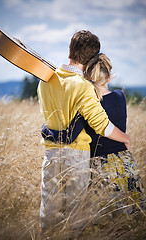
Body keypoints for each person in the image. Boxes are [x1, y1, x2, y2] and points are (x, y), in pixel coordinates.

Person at [37, 31, 131, 236]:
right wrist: (125, 137)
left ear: (70, 48)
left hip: (51, 154)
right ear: (91, 59)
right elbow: (102, 126)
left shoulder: (45, 79)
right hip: (76, 155)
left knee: (48, 213)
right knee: (75, 217)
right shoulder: (83, 86)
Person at [42, 53, 145, 213]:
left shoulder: (88, 105)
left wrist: (45, 130)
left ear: (86, 78)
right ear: (109, 77)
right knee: (132, 212)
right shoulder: (120, 96)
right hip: (124, 162)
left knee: (105, 220)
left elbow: (68, 136)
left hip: (99, 166)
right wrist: (125, 137)